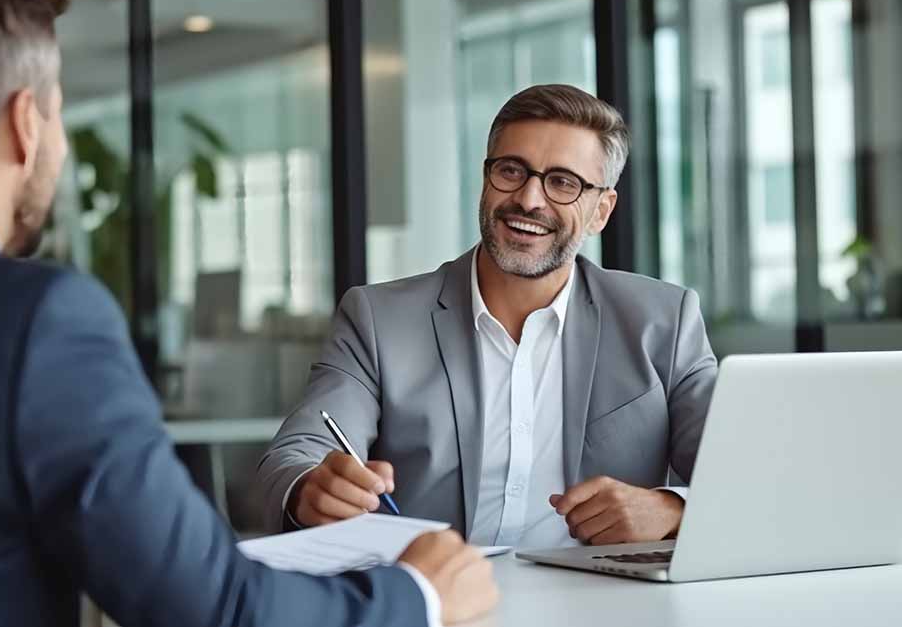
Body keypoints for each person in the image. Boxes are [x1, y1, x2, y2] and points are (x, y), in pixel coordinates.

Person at [0, 0, 497, 626]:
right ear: (26, 123)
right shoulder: (36, 318)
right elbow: (209, 608)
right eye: (56, 109)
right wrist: (419, 593)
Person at [258, 84, 718, 550]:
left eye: (563, 182)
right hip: (438, 601)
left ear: (601, 210)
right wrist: (308, 490)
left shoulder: (662, 321)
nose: (530, 199)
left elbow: (748, 478)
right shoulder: (379, 319)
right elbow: (296, 455)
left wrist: (674, 509)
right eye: (511, 170)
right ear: (486, 179)